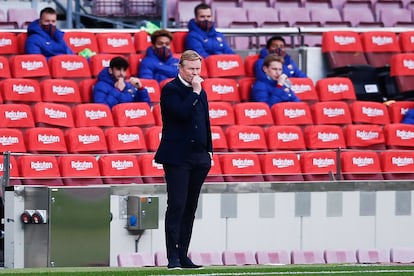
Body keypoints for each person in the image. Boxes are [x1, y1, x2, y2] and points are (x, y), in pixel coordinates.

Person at [154, 50, 212, 270]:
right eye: (191, 69)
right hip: (177, 157)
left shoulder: (201, 93)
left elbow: (205, 122)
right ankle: (173, 257)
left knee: (190, 207)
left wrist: (209, 151)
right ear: (180, 68)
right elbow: (181, 113)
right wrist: (195, 92)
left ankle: (184, 254)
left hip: (199, 156)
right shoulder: (171, 90)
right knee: (176, 205)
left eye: (198, 69)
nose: (195, 73)